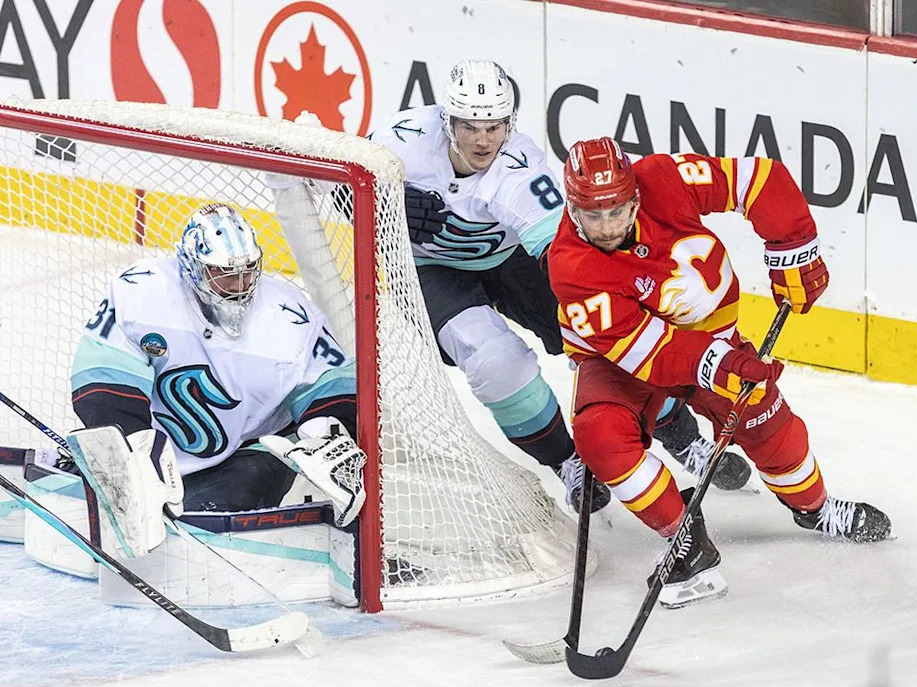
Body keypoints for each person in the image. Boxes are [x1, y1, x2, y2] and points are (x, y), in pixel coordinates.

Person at [367, 58, 750, 511]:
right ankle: (568, 462)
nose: (483, 139)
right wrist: (383, 203)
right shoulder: (400, 138)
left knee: (605, 336)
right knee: (494, 361)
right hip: (428, 271)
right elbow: (332, 183)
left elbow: (564, 257)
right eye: (470, 125)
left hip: (511, 260)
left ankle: (680, 435)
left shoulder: (520, 168)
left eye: (495, 125)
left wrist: (589, 318)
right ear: (446, 119)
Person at [546, 137, 892, 608]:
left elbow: (759, 180)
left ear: (635, 196)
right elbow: (651, 352)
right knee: (599, 437)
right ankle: (685, 537)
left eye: (618, 210)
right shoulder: (571, 265)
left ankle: (814, 509)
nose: (607, 227)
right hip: (621, 363)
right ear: (572, 208)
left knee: (775, 434)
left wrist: (795, 250)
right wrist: (723, 364)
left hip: (715, 342)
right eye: (593, 215)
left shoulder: (663, 179)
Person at [68, 203, 364, 557]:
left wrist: (325, 432)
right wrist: (129, 451)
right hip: (152, 451)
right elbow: (103, 383)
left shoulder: (289, 315)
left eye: (248, 271)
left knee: (210, 524)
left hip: (247, 451)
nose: (239, 285)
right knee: (112, 504)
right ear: (192, 268)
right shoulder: (143, 292)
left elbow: (331, 387)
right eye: (223, 273)